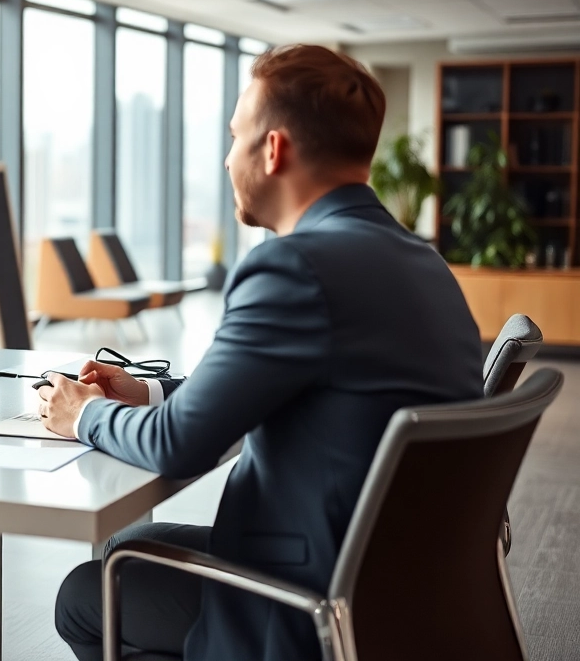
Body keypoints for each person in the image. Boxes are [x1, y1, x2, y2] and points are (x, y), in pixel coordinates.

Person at [38, 45, 484, 661]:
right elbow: (281, 383)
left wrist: (81, 414)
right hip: (396, 581)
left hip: (305, 603)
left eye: (234, 136)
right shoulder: (420, 261)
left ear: (272, 150)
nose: (226, 159)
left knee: (84, 596)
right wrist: (145, 392)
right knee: (128, 549)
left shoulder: (294, 265)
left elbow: (179, 445)